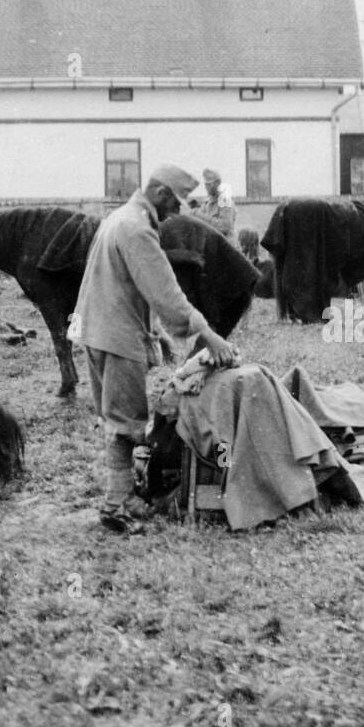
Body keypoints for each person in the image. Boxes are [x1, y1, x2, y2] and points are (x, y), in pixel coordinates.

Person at [73, 163, 237, 533]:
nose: (175, 214)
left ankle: (124, 495)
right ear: (161, 194)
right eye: (175, 205)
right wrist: (208, 334)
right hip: (116, 337)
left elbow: (124, 284)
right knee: (126, 421)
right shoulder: (137, 230)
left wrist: (153, 333)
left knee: (116, 416)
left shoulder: (119, 218)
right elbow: (166, 292)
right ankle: (117, 505)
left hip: (98, 331)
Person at [196, 168, 236, 240]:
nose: (206, 187)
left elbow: (224, 226)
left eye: (209, 184)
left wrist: (201, 216)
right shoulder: (207, 202)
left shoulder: (225, 201)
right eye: (205, 184)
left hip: (225, 245)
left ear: (218, 183)